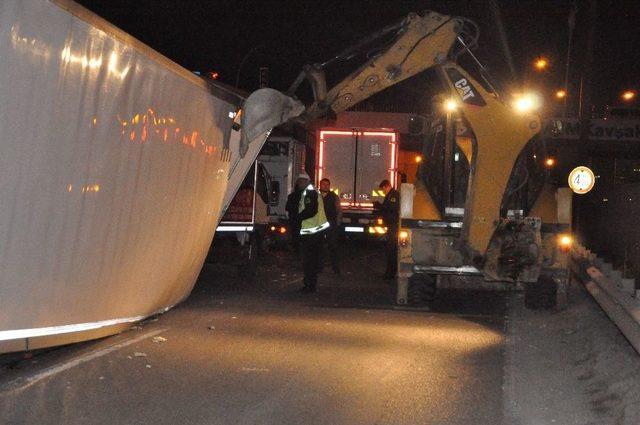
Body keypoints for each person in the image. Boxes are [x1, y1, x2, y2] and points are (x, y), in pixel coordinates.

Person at [297, 172, 330, 293]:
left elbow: (311, 210)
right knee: (313, 261)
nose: (298, 184)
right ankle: (311, 285)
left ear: (306, 181)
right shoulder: (314, 191)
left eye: (300, 181)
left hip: (312, 233)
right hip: (317, 231)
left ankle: (309, 285)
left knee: (309, 261)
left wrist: (298, 217)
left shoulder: (309, 193)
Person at [375, 179, 400, 279]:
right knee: (390, 250)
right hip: (391, 226)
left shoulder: (393, 195)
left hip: (393, 226)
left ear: (386, 186)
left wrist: (380, 207)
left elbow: (391, 209)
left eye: (383, 189)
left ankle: (390, 273)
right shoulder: (390, 195)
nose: (383, 191)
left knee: (392, 250)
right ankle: (389, 272)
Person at [319, 178, 342, 274]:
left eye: (327, 184)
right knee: (319, 247)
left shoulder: (334, 196)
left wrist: (337, 223)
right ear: (320, 185)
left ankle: (335, 268)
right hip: (319, 224)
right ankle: (319, 267)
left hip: (331, 225)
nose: (325, 186)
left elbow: (338, 210)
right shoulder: (316, 196)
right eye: (323, 184)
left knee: (333, 247)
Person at [285, 175, 308, 254]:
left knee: (297, 239)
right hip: (300, 221)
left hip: (296, 221)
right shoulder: (307, 196)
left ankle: (297, 252)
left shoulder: (292, 196)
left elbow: (287, 208)